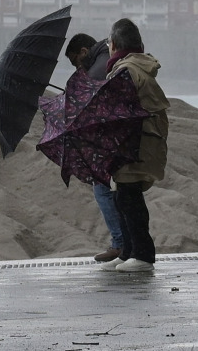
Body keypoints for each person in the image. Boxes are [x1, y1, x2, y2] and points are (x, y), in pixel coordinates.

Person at [98, 18, 169, 273]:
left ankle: (142, 255)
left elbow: (117, 111)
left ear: (114, 44)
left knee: (130, 199)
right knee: (121, 197)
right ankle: (128, 252)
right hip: (136, 143)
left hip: (134, 145)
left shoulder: (126, 70)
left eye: (108, 42)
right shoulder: (133, 67)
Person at [64, 33, 126, 262]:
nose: (77, 67)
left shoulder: (98, 67)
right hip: (118, 137)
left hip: (112, 141)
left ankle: (120, 244)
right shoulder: (104, 57)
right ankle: (124, 244)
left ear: (82, 51)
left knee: (102, 189)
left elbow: (93, 103)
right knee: (122, 193)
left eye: (75, 61)